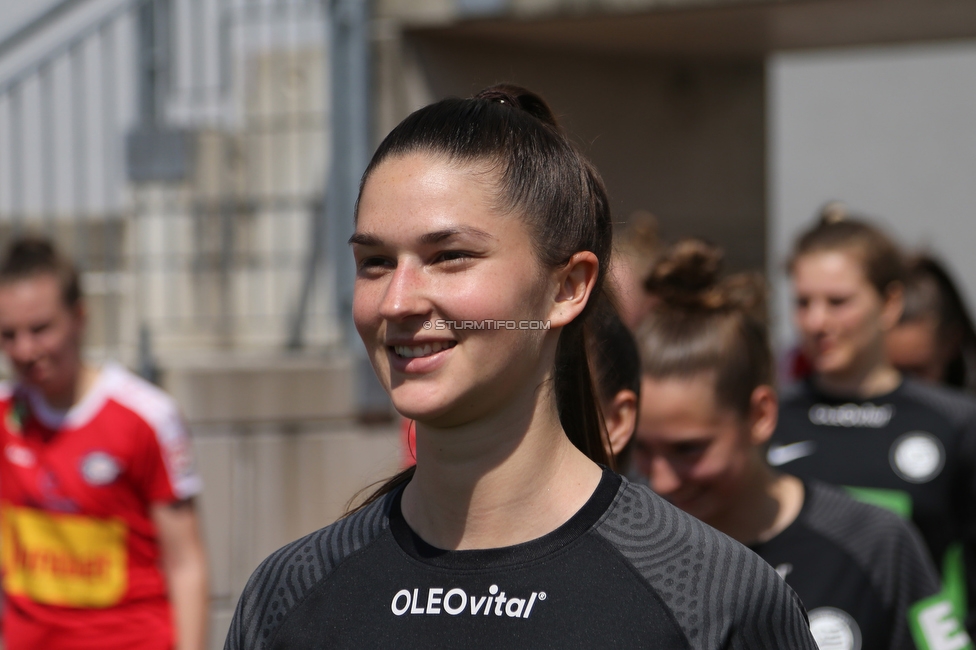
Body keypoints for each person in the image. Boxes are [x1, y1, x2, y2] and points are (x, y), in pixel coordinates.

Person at [225, 85, 817, 649]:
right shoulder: (291, 592)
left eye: (449, 256)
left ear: (567, 287)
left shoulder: (711, 593)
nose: (398, 301)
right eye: (375, 262)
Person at [631, 238, 961, 650]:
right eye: (641, 448)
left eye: (688, 449)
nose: (660, 480)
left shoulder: (875, 543)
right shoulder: (619, 542)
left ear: (761, 416)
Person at [771, 212, 976, 639]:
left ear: (890, 304)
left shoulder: (955, 423)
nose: (816, 322)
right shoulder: (768, 419)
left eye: (838, 302)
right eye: (803, 302)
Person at [0, 238, 208, 650]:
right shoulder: (5, 413)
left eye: (40, 329)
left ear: (79, 317)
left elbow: (186, 564)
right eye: (9, 334)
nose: (25, 350)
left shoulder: (147, 416)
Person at [885, 254, 976, 394]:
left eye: (918, 371)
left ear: (951, 343)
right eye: (892, 371)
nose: (903, 386)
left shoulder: (966, 413)